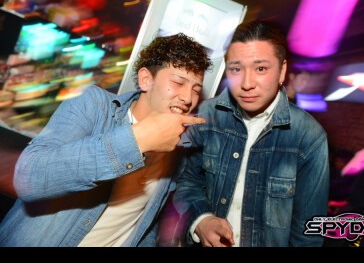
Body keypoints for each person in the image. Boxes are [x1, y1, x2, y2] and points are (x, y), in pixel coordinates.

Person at [0, 33, 212, 247]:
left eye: (196, 90)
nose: (188, 98)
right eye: (178, 82)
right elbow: (29, 177)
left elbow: (142, 224)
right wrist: (138, 140)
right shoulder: (93, 105)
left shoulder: (178, 148)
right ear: (146, 79)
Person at [172, 19, 330, 247]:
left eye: (261, 69)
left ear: (282, 71)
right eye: (236, 69)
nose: (246, 83)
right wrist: (201, 220)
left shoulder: (308, 136)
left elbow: (308, 232)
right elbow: (186, 180)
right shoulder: (206, 115)